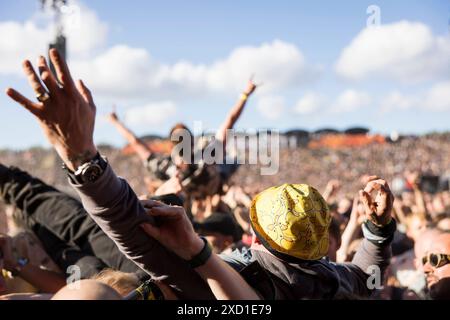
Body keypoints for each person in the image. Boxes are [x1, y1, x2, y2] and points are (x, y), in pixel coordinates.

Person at [5, 49, 396, 300]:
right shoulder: (332, 280)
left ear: (256, 233)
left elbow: (135, 233)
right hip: (127, 233)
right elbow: (367, 275)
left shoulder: (231, 276)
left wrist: (81, 154)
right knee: (55, 222)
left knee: (52, 216)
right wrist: (377, 228)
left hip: (123, 230)